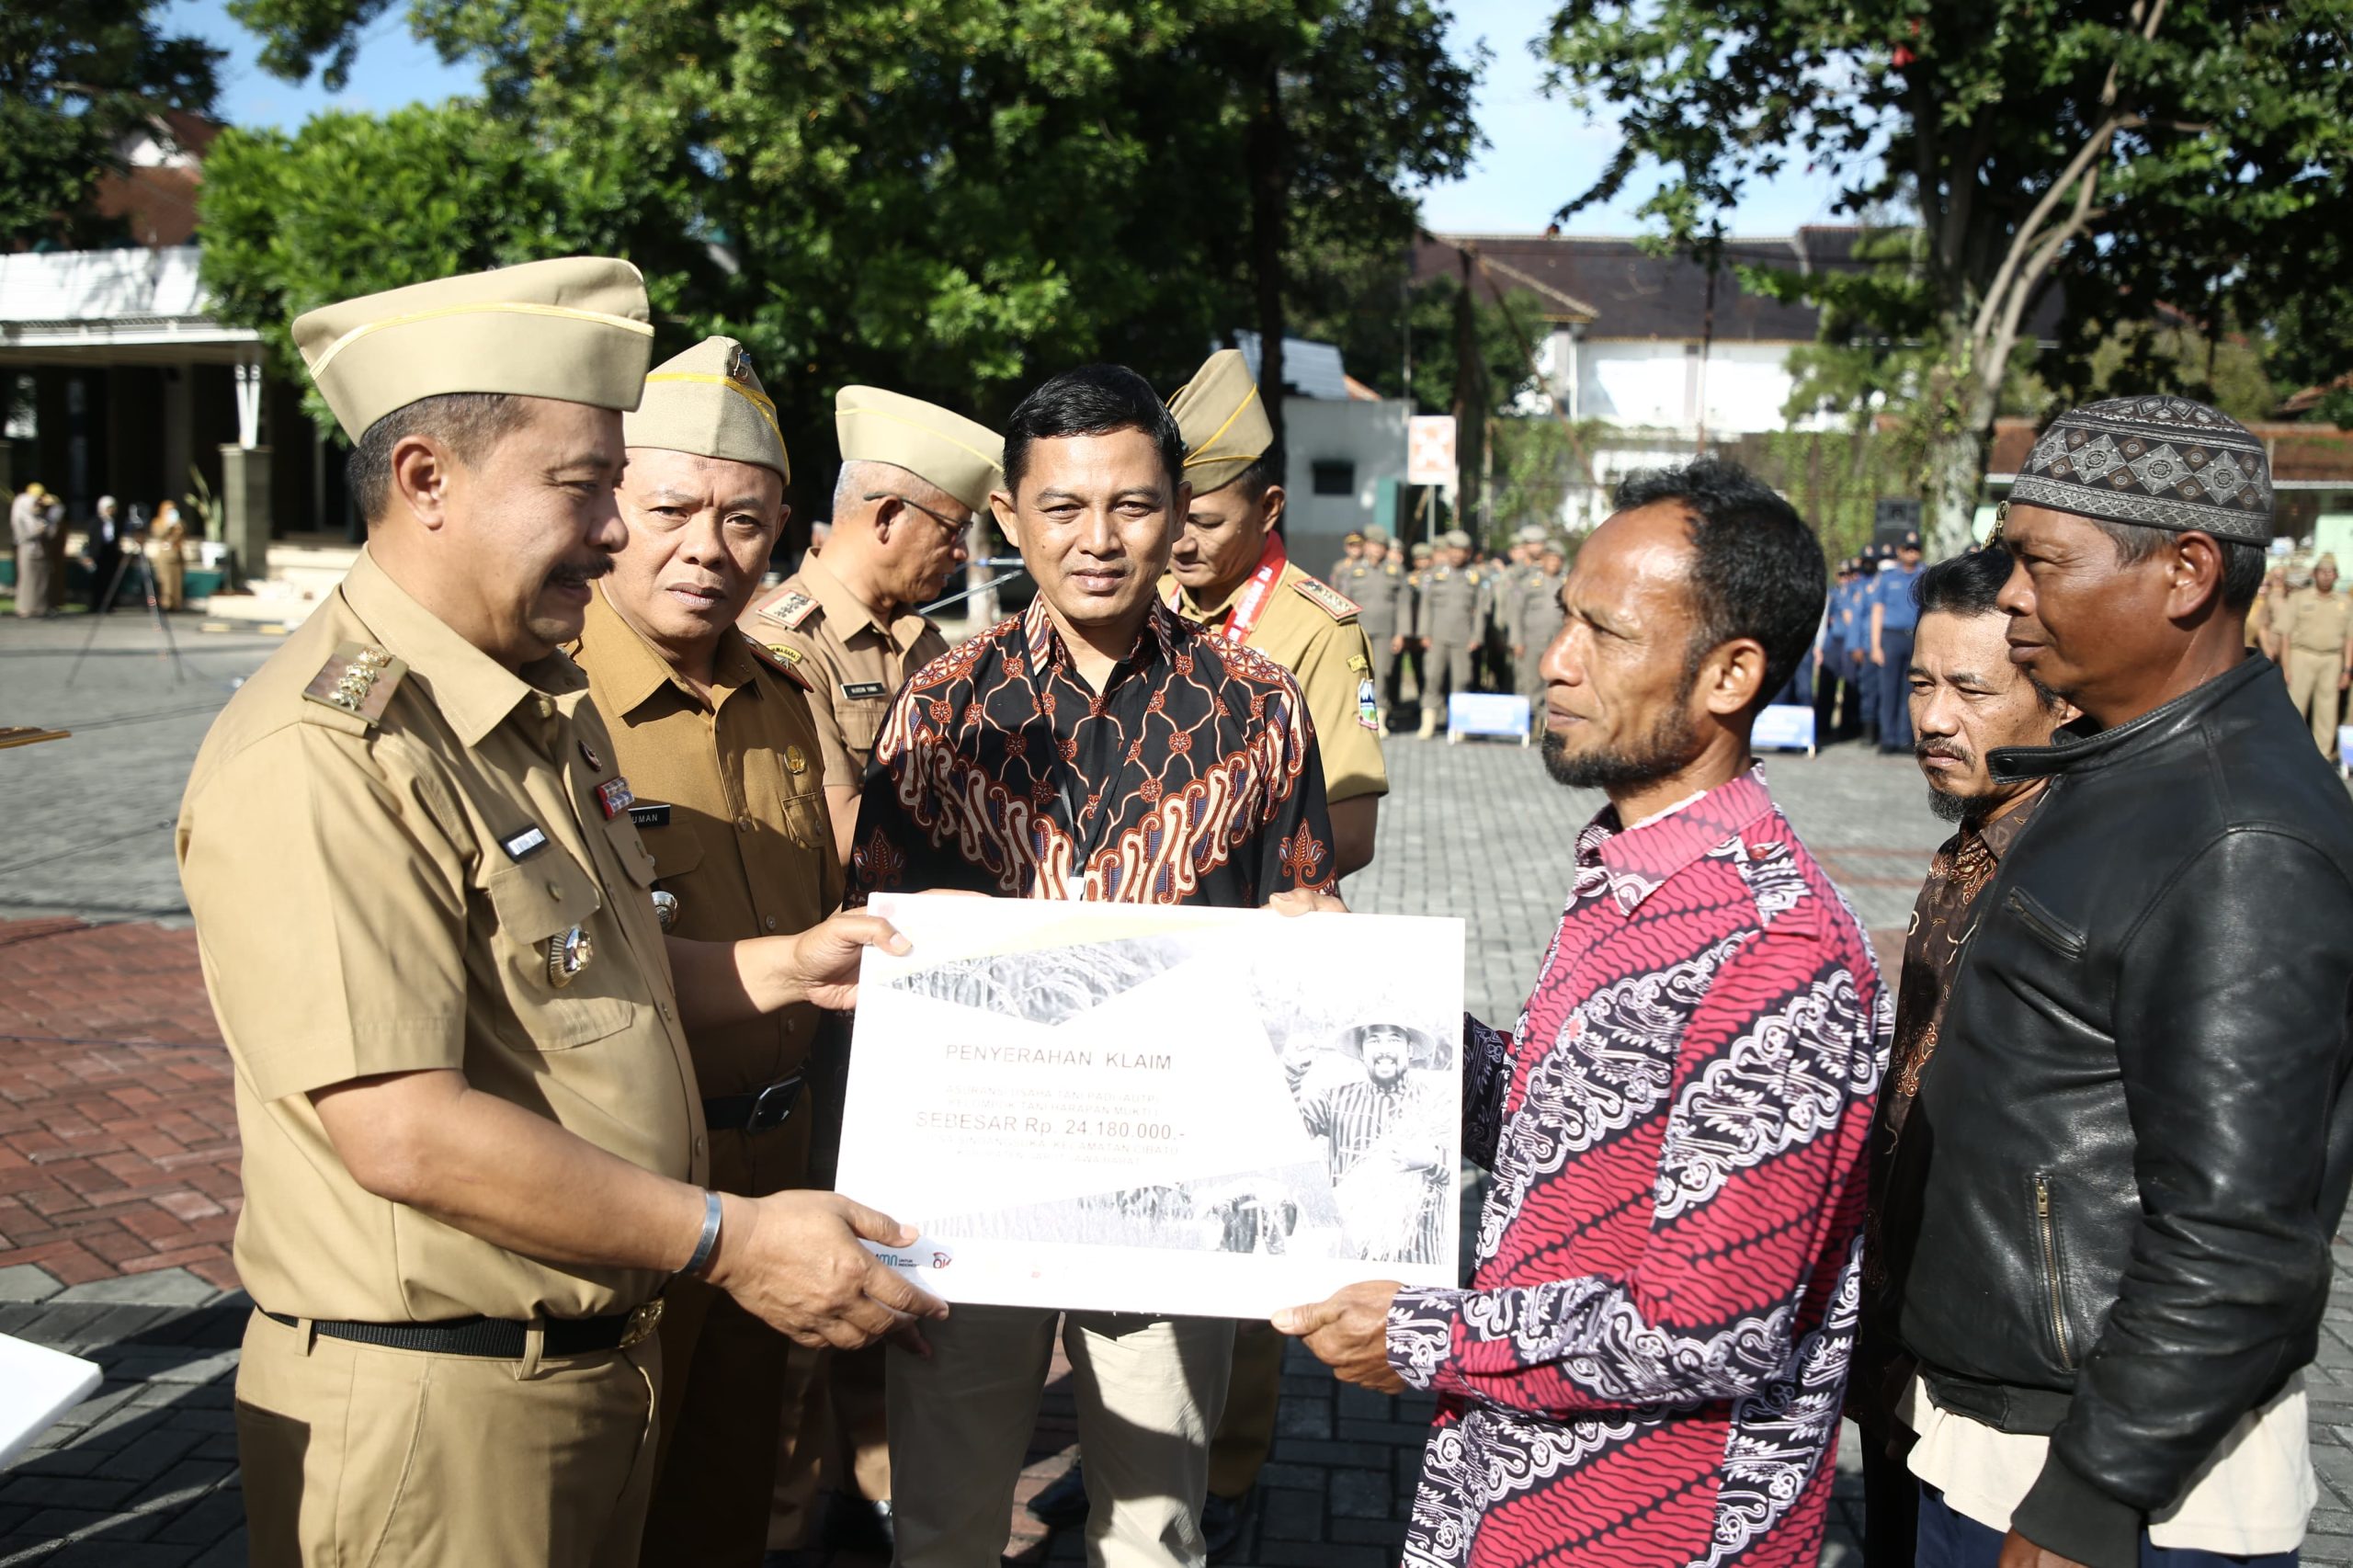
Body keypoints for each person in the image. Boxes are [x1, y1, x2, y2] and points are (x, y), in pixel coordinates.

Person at [176, 258, 945, 1568]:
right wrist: (729, 1238)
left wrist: (781, 964)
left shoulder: (522, 704)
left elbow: (603, 990)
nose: (615, 533)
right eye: (587, 488)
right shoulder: (329, 752)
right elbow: (405, 1130)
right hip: (439, 1409)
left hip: (583, 1365)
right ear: (427, 479)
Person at [1276, 457, 1889, 1568]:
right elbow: (1556, 1119)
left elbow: (1707, 1321)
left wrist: (1422, 1333)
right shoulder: (1631, 868)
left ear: (1729, 674)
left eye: (1604, 632)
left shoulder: (1773, 945)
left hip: (1648, 1517)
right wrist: (1366, 994)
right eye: (1563, 618)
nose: (1554, 662)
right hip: (1509, 1488)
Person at [850, 362, 1340, 1568]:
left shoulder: (1260, 704)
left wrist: (1316, 947)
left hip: (1173, 1186)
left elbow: (1307, 911)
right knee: (947, 1521)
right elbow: (875, 936)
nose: (1099, 538)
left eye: (1131, 503)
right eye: (1063, 507)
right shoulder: (942, 703)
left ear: (1178, 510)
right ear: (1012, 516)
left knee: (1156, 1527)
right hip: (962, 1185)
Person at [1883, 396, 2353, 1568]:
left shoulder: (2239, 832)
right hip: (1998, 1437)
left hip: (2112, 1488)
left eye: (2043, 563)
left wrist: (2094, 1489)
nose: (2010, 598)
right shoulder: (2120, 760)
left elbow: (2242, 1233)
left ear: (2186, 570)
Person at [557, 335, 842, 1566]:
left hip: (779, 1176)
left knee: (725, 1514)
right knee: (603, 1517)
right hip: (626, 1198)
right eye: (671, 509)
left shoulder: (783, 698)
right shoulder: (549, 702)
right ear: (607, 507)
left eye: (745, 519)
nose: (708, 549)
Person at [1847, 546, 2073, 1568]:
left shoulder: (2068, 870)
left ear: (2059, 699)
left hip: (2004, 1378)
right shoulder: (1974, 839)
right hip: (1905, 1333)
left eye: (1970, 689)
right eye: (1920, 683)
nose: (1933, 717)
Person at [743, 385, 999, 868]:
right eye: (952, 530)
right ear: (888, 517)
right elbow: (838, 835)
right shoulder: (783, 640)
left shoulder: (919, 635)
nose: (962, 552)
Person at [1162, 347, 1386, 879]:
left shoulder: (1320, 630)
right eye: (1169, 519)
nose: (1182, 544)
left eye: (1206, 524)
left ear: (1269, 508)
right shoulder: (1155, 601)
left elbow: (1349, 832)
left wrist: (1197, 876)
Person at [1288, 1021, 1448, 1264]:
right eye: (1374, 1040)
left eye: (1394, 1039)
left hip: (1418, 1254)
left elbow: (1465, 1169)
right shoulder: (1335, 1099)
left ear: (1410, 1050)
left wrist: (1432, 1160)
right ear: (1362, 1053)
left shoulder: (1435, 1103)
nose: (1383, 1049)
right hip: (1352, 1253)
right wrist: (1291, 1074)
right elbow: (1289, 1134)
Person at [2277, 551, 2353, 758]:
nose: (2327, 575)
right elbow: (2285, 635)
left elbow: (2349, 639)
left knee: (2327, 712)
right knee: (2295, 707)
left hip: (2332, 659)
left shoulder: (2346, 602)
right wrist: (2285, 667)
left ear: (2337, 576)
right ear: (2314, 573)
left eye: (2331, 572)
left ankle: (2323, 756)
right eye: (2323, 571)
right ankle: (2288, 753)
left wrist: (2347, 670)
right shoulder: (2298, 598)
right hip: (2302, 655)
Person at [1414, 530, 1485, 738]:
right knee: (1432, 678)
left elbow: (1480, 609)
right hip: (1437, 636)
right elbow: (1426, 606)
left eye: (1461, 551)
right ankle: (1428, 723)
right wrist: (1424, 633)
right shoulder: (1434, 574)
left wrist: (1477, 636)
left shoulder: (1474, 576)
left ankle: (1459, 726)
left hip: (1463, 638)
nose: (1456, 555)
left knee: (1461, 680)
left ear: (1468, 553)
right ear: (1447, 551)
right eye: (1453, 550)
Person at [1334, 528, 1408, 727]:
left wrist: (1401, 633)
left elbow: (1403, 605)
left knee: (1382, 673)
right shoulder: (1353, 569)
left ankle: (1380, 716)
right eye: (1372, 545)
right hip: (1359, 630)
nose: (1375, 550)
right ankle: (1361, 716)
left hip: (1386, 632)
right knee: (1359, 672)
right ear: (1366, 546)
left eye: (1380, 546)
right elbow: (1343, 601)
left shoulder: (1395, 570)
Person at [1870, 529, 1927, 753]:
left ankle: (1905, 738)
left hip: (1915, 637)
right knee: (1888, 689)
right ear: (1900, 551)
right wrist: (1875, 645)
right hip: (1891, 636)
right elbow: (1877, 611)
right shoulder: (1887, 578)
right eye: (1907, 549)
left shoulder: (1924, 576)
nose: (1911, 553)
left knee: (1911, 691)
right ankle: (1888, 737)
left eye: (1916, 549)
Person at [1510, 539, 1567, 724]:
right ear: (1542, 560)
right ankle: (1528, 721)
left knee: (1551, 683)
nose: (1554, 563)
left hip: (1556, 642)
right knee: (1531, 681)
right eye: (1551, 559)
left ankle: (1544, 723)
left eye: (1558, 560)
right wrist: (1517, 640)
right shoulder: (1529, 582)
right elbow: (1516, 612)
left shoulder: (1566, 583)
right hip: (1531, 640)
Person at [10, 481, 56, 618]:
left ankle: (40, 606)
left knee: (42, 579)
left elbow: (50, 532)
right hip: (27, 549)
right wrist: (37, 531)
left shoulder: (39, 516)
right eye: (36, 502)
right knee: (28, 580)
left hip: (40, 549)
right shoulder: (21, 515)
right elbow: (22, 535)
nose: (38, 505)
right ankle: (26, 608)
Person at [82, 494, 124, 611]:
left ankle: (110, 604)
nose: (110, 511)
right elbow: (91, 540)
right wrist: (89, 556)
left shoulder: (116, 522)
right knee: (97, 581)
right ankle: (96, 604)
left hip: (111, 555)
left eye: (112, 508)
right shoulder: (95, 522)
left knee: (110, 580)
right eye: (108, 508)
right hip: (98, 555)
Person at [150, 499, 188, 610]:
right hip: (165, 556)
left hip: (176, 555)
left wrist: (177, 525)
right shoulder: (158, 522)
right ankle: (166, 603)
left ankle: (177, 604)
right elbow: (158, 534)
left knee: (177, 581)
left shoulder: (179, 523)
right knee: (166, 581)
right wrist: (168, 526)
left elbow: (183, 534)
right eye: (169, 510)